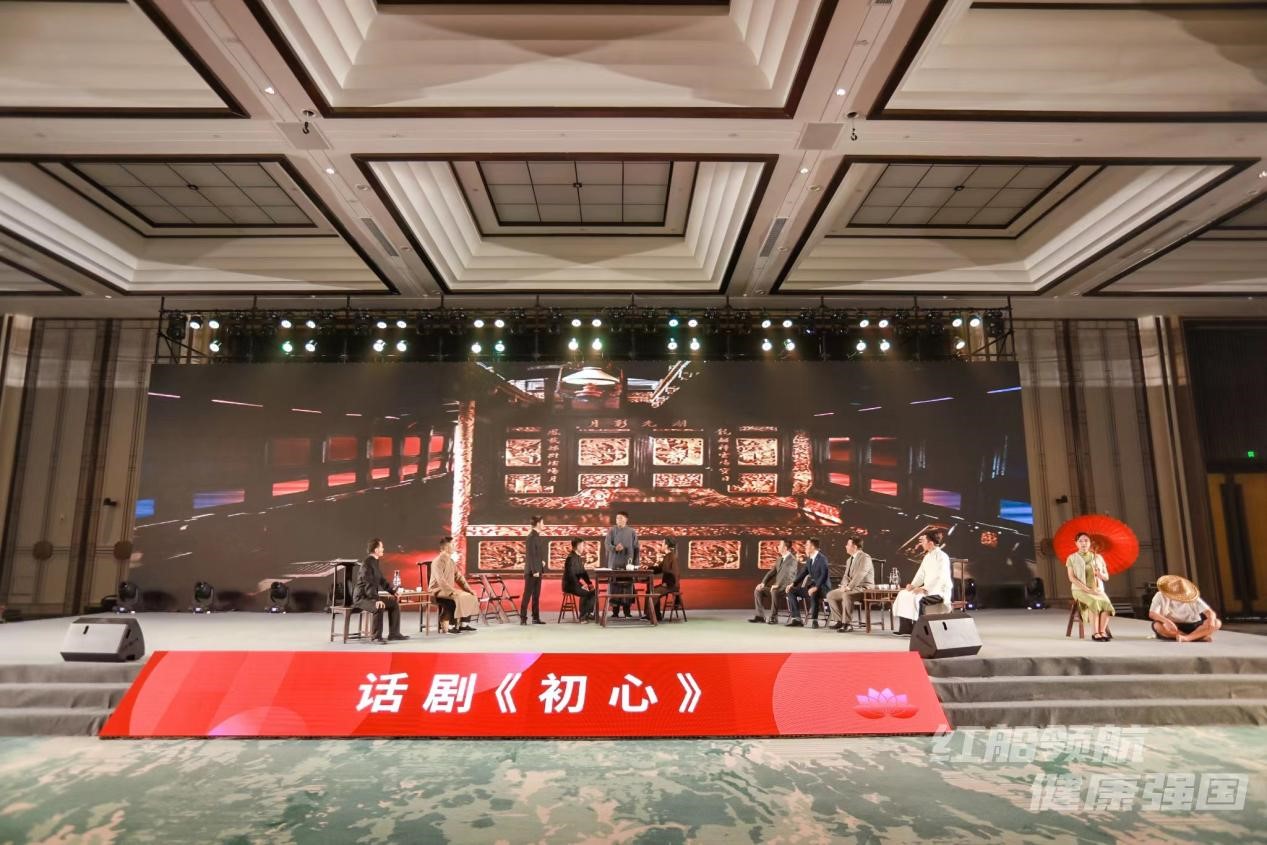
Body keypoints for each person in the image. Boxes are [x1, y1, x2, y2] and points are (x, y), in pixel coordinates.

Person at [893, 529, 952, 636]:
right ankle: (906, 629)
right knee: (903, 594)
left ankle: (920, 631)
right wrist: (913, 585)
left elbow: (940, 577)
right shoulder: (927, 557)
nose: (922, 543)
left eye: (924, 541)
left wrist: (925, 589)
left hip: (939, 591)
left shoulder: (942, 557)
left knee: (919, 599)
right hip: (928, 589)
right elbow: (920, 574)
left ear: (931, 543)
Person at [354, 538, 408, 643]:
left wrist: (393, 592)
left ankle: (394, 634)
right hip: (361, 598)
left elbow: (382, 580)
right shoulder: (367, 563)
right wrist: (375, 600)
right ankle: (376, 637)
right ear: (376, 550)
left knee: (393, 603)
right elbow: (368, 584)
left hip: (370, 595)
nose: (383, 549)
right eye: (381, 547)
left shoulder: (374, 562)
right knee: (379, 606)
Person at [1066, 531, 1114, 641]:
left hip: (1097, 589)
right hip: (1079, 589)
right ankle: (1095, 633)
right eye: (1080, 541)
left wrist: (1099, 574)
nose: (1083, 543)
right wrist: (1088, 590)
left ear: (1090, 543)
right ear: (1076, 543)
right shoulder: (1072, 558)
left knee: (1107, 604)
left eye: (1086, 541)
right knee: (1094, 602)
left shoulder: (1098, 557)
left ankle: (1102, 632)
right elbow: (1071, 578)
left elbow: (1106, 577)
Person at [1150, 574, 1221, 643]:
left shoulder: (1191, 596)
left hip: (1193, 625)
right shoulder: (1160, 595)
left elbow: (1209, 612)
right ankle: (1196, 637)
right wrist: (1166, 621)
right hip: (1173, 626)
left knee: (1217, 622)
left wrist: (1211, 619)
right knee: (1157, 626)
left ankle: (1188, 638)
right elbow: (1152, 614)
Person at [430, 536, 479, 634]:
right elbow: (441, 580)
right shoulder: (437, 561)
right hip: (437, 591)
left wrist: (469, 590)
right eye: (452, 544)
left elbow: (459, 577)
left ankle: (463, 624)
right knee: (455, 599)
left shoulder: (451, 561)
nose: (455, 546)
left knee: (470, 595)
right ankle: (450, 626)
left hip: (447, 590)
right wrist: (451, 591)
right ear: (446, 547)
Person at [827, 535, 874, 632]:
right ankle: (840, 621)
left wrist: (848, 588)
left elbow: (860, 574)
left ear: (855, 547)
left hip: (864, 588)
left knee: (846, 595)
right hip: (851, 588)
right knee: (831, 595)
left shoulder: (865, 557)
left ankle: (847, 624)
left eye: (848, 544)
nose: (846, 546)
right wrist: (844, 585)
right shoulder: (849, 560)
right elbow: (846, 576)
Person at [752, 539, 799, 624]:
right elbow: (771, 572)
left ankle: (773, 617)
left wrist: (778, 585)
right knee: (758, 590)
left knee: (774, 591)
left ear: (785, 548)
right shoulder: (779, 559)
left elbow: (789, 576)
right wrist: (763, 583)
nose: (778, 546)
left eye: (780, 545)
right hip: (777, 587)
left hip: (786, 588)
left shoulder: (792, 560)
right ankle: (760, 616)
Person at [604, 511, 640, 618]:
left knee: (627, 586)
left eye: (620, 518)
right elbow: (607, 544)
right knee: (614, 586)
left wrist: (636, 564)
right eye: (617, 518)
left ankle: (627, 611)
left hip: (628, 564)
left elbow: (636, 548)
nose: (618, 520)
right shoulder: (612, 530)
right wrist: (615, 548)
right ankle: (615, 612)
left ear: (626, 519)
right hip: (615, 563)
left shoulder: (632, 532)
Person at [788, 538, 830, 628]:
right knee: (791, 591)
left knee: (814, 592)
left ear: (812, 547)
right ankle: (797, 619)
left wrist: (816, 587)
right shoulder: (810, 559)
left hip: (823, 588)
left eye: (807, 545)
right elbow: (803, 573)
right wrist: (793, 583)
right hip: (812, 587)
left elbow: (824, 574)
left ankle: (814, 620)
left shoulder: (822, 559)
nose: (805, 547)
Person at [562, 538, 596, 621]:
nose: (583, 547)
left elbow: (583, 572)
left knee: (593, 591)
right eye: (582, 545)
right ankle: (582, 616)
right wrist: (581, 586)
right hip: (569, 585)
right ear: (577, 546)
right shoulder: (570, 558)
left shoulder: (578, 557)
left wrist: (589, 583)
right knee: (586, 593)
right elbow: (570, 575)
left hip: (576, 583)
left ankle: (588, 613)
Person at [521, 515, 546, 625]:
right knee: (527, 595)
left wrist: (541, 562)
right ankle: (523, 618)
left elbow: (536, 554)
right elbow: (530, 555)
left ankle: (536, 617)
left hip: (537, 570)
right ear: (538, 523)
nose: (544, 525)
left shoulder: (536, 536)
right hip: (532, 572)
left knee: (536, 595)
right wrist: (535, 570)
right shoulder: (531, 537)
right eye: (543, 522)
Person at [649, 538, 680, 618]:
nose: (661, 545)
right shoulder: (667, 556)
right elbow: (660, 568)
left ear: (666, 546)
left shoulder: (672, 556)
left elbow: (675, 573)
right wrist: (649, 569)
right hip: (668, 584)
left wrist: (667, 583)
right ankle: (655, 615)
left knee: (654, 592)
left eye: (662, 544)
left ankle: (651, 615)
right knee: (650, 590)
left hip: (672, 585)